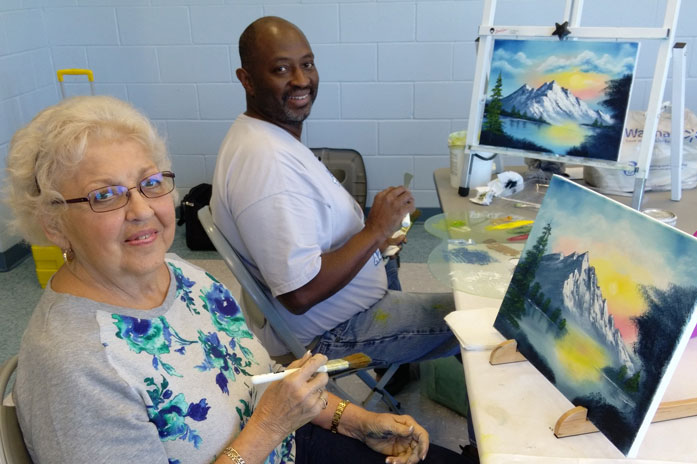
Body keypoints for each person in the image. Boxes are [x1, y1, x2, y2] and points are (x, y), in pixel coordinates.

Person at [5, 95, 472, 464]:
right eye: (105, 195)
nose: (143, 210)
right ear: (52, 222)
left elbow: (255, 380)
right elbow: (268, 416)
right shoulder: (73, 367)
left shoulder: (181, 276)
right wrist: (268, 429)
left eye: (150, 182)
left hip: (291, 444)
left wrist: (355, 421)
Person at [211, 16, 460, 371]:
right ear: (247, 80)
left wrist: (378, 237)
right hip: (330, 331)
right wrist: (374, 231)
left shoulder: (266, 137)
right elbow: (300, 294)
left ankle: (403, 367)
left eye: (307, 64)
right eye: (281, 69)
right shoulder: (266, 165)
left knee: (397, 264)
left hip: (342, 303)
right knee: (478, 318)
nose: (301, 80)